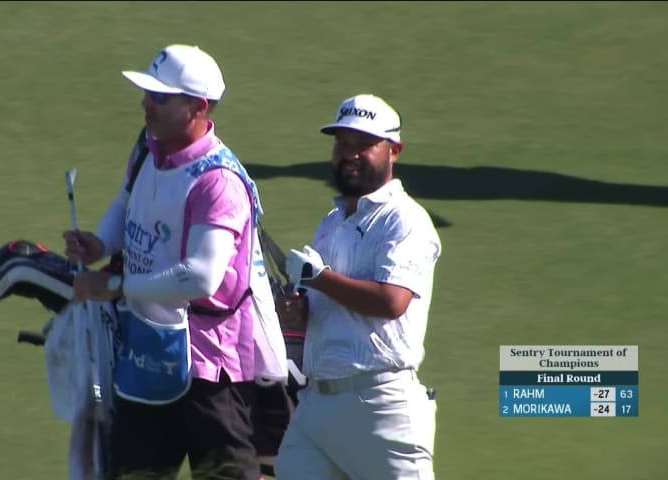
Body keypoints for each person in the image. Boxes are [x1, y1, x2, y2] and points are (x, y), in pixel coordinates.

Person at [65, 44, 272, 480]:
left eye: (160, 97)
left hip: (211, 374)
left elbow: (201, 276)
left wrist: (116, 287)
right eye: (147, 94)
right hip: (146, 357)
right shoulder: (147, 150)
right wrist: (100, 244)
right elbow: (126, 203)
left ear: (197, 107)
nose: (146, 104)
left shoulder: (218, 182)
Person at [274, 94, 442, 480]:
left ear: (393, 151)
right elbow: (329, 306)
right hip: (317, 407)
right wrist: (300, 309)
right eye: (342, 145)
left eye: (363, 145)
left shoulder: (406, 221)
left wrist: (319, 278)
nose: (348, 155)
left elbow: (391, 300)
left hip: (380, 407)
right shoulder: (331, 222)